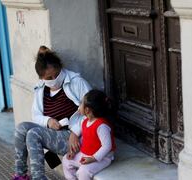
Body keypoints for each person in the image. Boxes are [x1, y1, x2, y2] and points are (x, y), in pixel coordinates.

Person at [12, 46, 91, 180]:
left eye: (57, 74)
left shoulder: (77, 82)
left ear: (61, 67)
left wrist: (75, 132)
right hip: (53, 133)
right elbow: (36, 115)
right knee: (21, 128)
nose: (54, 79)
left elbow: (92, 111)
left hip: (74, 137)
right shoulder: (40, 89)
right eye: (49, 77)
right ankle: (20, 175)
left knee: (34, 134)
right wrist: (47, 121)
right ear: (42, 78)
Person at [62, 90, 116, 180]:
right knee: (66, 160)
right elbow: (86, 139)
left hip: (102, 158)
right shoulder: (85, 122)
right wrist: (74, 152)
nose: (79, 106)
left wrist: (93, 158)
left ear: (87, 110)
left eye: (81, 104)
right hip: (86, 154)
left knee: (84, 171)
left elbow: (107, 146)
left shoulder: (101, 126)